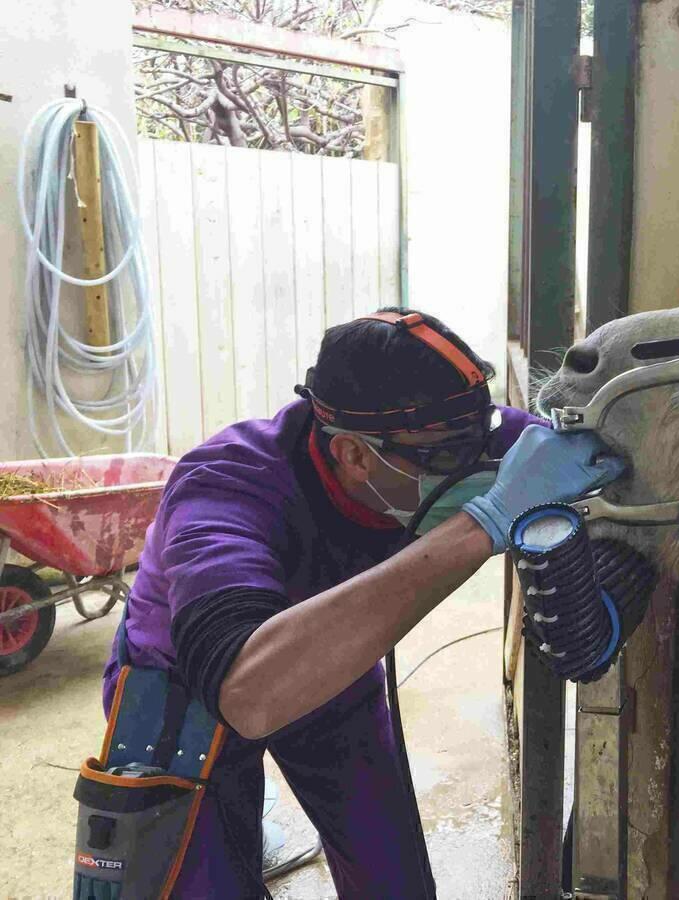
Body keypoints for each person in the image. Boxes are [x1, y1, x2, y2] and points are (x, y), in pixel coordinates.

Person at [97, 309, 623, 896]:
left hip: (336, 666)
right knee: (200, 880)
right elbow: (247, 691)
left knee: (392, 875)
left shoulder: (447, 435)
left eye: (483, 436)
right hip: (182, 691)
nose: (478, 463)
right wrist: (487, 519)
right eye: (449, 455)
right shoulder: (224, 488)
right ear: (354, 455)